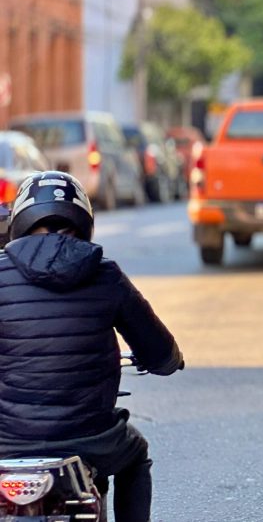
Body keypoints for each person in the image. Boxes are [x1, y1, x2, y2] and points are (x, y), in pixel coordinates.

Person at [0, 171, 184, 522]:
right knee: (136, 454)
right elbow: (159, 352)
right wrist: (170, 361)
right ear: (84, 222)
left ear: (20, 221)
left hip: (7, 439)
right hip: (89, 438)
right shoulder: (105, 274)